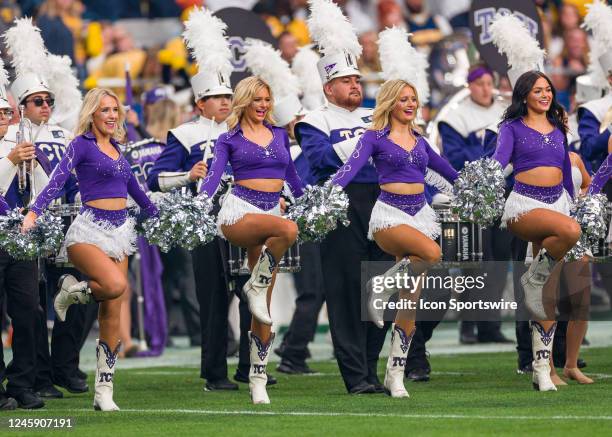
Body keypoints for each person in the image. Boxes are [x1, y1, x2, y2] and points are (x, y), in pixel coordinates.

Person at [21, 87, 159, 411]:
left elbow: (136, 192)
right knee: (115, 286)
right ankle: (70, 291)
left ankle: (104, 392)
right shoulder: (80, 146)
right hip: (88, 231)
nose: (111, 116)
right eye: (105, 110)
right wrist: (33, 212)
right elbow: (56, 180)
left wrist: (159, 215)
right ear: (92, 114)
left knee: (113, 309)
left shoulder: (118, 150)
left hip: (121, 232)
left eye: (115, 110)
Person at [331, 78, 458, 397]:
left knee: (409, 306)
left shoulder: (420, 139)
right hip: (389, 215)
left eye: (413, 98)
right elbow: (347, 171)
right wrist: (325, 195)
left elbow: (449, 172)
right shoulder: (374, 137)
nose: (410, 104)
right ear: (390, 103)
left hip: (422, 215)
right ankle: (380, 286)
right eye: (403, 99)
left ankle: (395, 374)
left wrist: (476, 186)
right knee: (432, 254)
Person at [296, 0, 391, 395]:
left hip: (383, 203)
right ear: (328, 87)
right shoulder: (314, 121)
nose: (356, 86)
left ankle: (370, 367)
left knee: (382, 290)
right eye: (347, 81)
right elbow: (319, 160)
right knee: (347, 290)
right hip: (343, 205)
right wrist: (369, 149)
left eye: (358, 80)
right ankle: (355, 376)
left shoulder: (375, 115)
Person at [199, 76, 303, 404]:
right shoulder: (228, 138)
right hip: (239, 214)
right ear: (245, 101)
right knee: (288, 230)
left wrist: (309, 200)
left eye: (267, 100)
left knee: (263, 313)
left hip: (270, 214)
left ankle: (257, 377)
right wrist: (198, 203)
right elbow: (214, 176)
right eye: (257, 99)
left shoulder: (278, 134)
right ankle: (254, 286)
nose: (263, 105)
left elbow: (293, 178)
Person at [492, 71, 581, 391]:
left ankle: (544, 369)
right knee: (570, 231)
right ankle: (533, 277)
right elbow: (498, 162)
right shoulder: (511, 128)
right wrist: (481, 185)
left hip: (557, 203)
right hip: (524, 206)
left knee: (548, 296)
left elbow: (564, 173)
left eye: (548, 90)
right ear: (524, 95)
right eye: (537, 90)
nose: (544, 95)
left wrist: (572, 202)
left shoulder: (558, 129)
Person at [438, 64, 511, 345]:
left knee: (499, 260)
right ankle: (468, 325)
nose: (484, 88)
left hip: (500, 193)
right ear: (469, 86)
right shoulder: (454, 116)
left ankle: (490, 325)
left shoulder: (503, 110)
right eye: (478, 83)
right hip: (469, 196)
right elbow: (454, 155)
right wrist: (488, 152)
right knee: (474, 261)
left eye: (487, 82)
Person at [0, 76, 46, 410]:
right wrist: (13, 161)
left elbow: (36, 190)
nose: (6, 118)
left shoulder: (14, 145)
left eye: (7, 112)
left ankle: (22, 382)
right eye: (0, 112)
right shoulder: (10, 153)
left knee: (29, 310)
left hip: (18, 237)